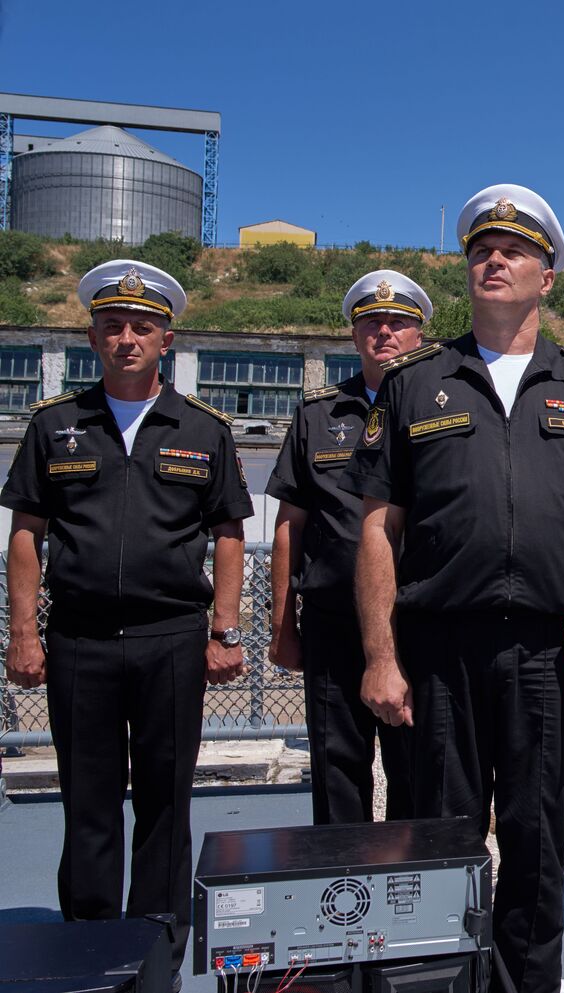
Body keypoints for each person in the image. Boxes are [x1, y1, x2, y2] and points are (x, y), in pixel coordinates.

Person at [339, 184, 564, 993]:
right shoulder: (415, 382)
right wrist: (380, 656)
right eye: (482, 249)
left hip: (549, 651)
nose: (494, 260)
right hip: (441, 650)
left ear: (546, 277)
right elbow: (378, 530)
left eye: (514, 251)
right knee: (442, 843)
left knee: (538, 844)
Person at [1, 260, 252, 988]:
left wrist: (225, 631)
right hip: (79, 638)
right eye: (112, 326)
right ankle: (87, 942)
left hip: (171, 637)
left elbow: (228, 532)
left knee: (166, 800)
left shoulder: (203, 428)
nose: (127, 338)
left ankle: (156, 946)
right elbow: (27, 532)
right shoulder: (55, 425)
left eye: (142, 327)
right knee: (89, 799)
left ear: (166, 340)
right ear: (92, 338)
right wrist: (24, 632)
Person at [265, 270, 430, 824]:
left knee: (418, 768)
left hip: (418, 621)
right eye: (371, 323)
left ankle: (411, 873)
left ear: (419, 335)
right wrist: (283, 627)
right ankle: (343, 875)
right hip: (333, 619)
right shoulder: (318, 415)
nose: (384, 332)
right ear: (354, 335)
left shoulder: (440, 411)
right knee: (337, 767)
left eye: (398, 323)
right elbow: (289, 525)